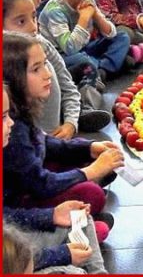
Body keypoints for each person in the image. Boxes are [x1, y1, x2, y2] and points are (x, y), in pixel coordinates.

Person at [2, 31, 124, 236]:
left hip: (28, 181)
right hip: (19, 203)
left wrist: (88, 149)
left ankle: (80, 218)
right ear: (13, 77)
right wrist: (91, 172)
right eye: (36, 69)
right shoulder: (13, 130)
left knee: (82, 160)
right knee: (91, 193)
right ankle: (73, 228)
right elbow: (39, 184)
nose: (47, 74)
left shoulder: (18, 112)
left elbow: (43, 142)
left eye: (44, 65)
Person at [2, 86, 107, 274]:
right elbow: (11, 260)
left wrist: (52, 215)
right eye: (3, 118)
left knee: (80, 216)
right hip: (15, 259)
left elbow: (5, 216)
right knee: (75, 272)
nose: (11, 123)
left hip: (17, 243)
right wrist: (62, 254)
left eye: (8, 115)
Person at [3, 0, 111, 136]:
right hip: (29, 141)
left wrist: (70, 123)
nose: (33, 27)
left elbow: (67, 86)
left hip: (52, 134)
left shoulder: (41, 44)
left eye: (34, 17)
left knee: (87, 66)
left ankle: (84, 109)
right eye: (21, 22)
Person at [39, 0, 132, 78]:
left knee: (122, 37)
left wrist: (97, 16)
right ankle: (109, 65)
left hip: (85, 47)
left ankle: (101, 68)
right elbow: (69, 48)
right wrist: (84, 18)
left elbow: (111, 34)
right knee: (82, 60)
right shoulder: (55, 10)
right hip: (63, 56)